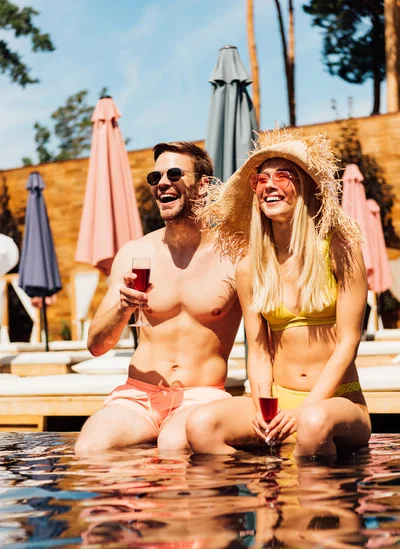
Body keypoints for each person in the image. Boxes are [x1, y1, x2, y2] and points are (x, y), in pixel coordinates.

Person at [186, 127, 371, 457]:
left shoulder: (339, 249)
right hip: (277, 400)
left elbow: (348, 342)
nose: (268, 185)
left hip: (337, 400)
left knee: (313, 423)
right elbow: (258, 351)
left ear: (305, 187)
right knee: (201, 425)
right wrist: (264, 409)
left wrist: (304, 411)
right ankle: (265, 494)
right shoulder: (250, 266)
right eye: (260, 179)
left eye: (282, 176)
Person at [75, 141, 242, 454]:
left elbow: (265, 339)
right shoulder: (135, 253)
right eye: (155, 178)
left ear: (202, 186)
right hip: (138, 396)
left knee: (173, 446)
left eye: (175, 174)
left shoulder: (233, 255)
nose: (162, 183)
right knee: (90, 448)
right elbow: (96, 346)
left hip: (201, 395)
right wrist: (123, 308)